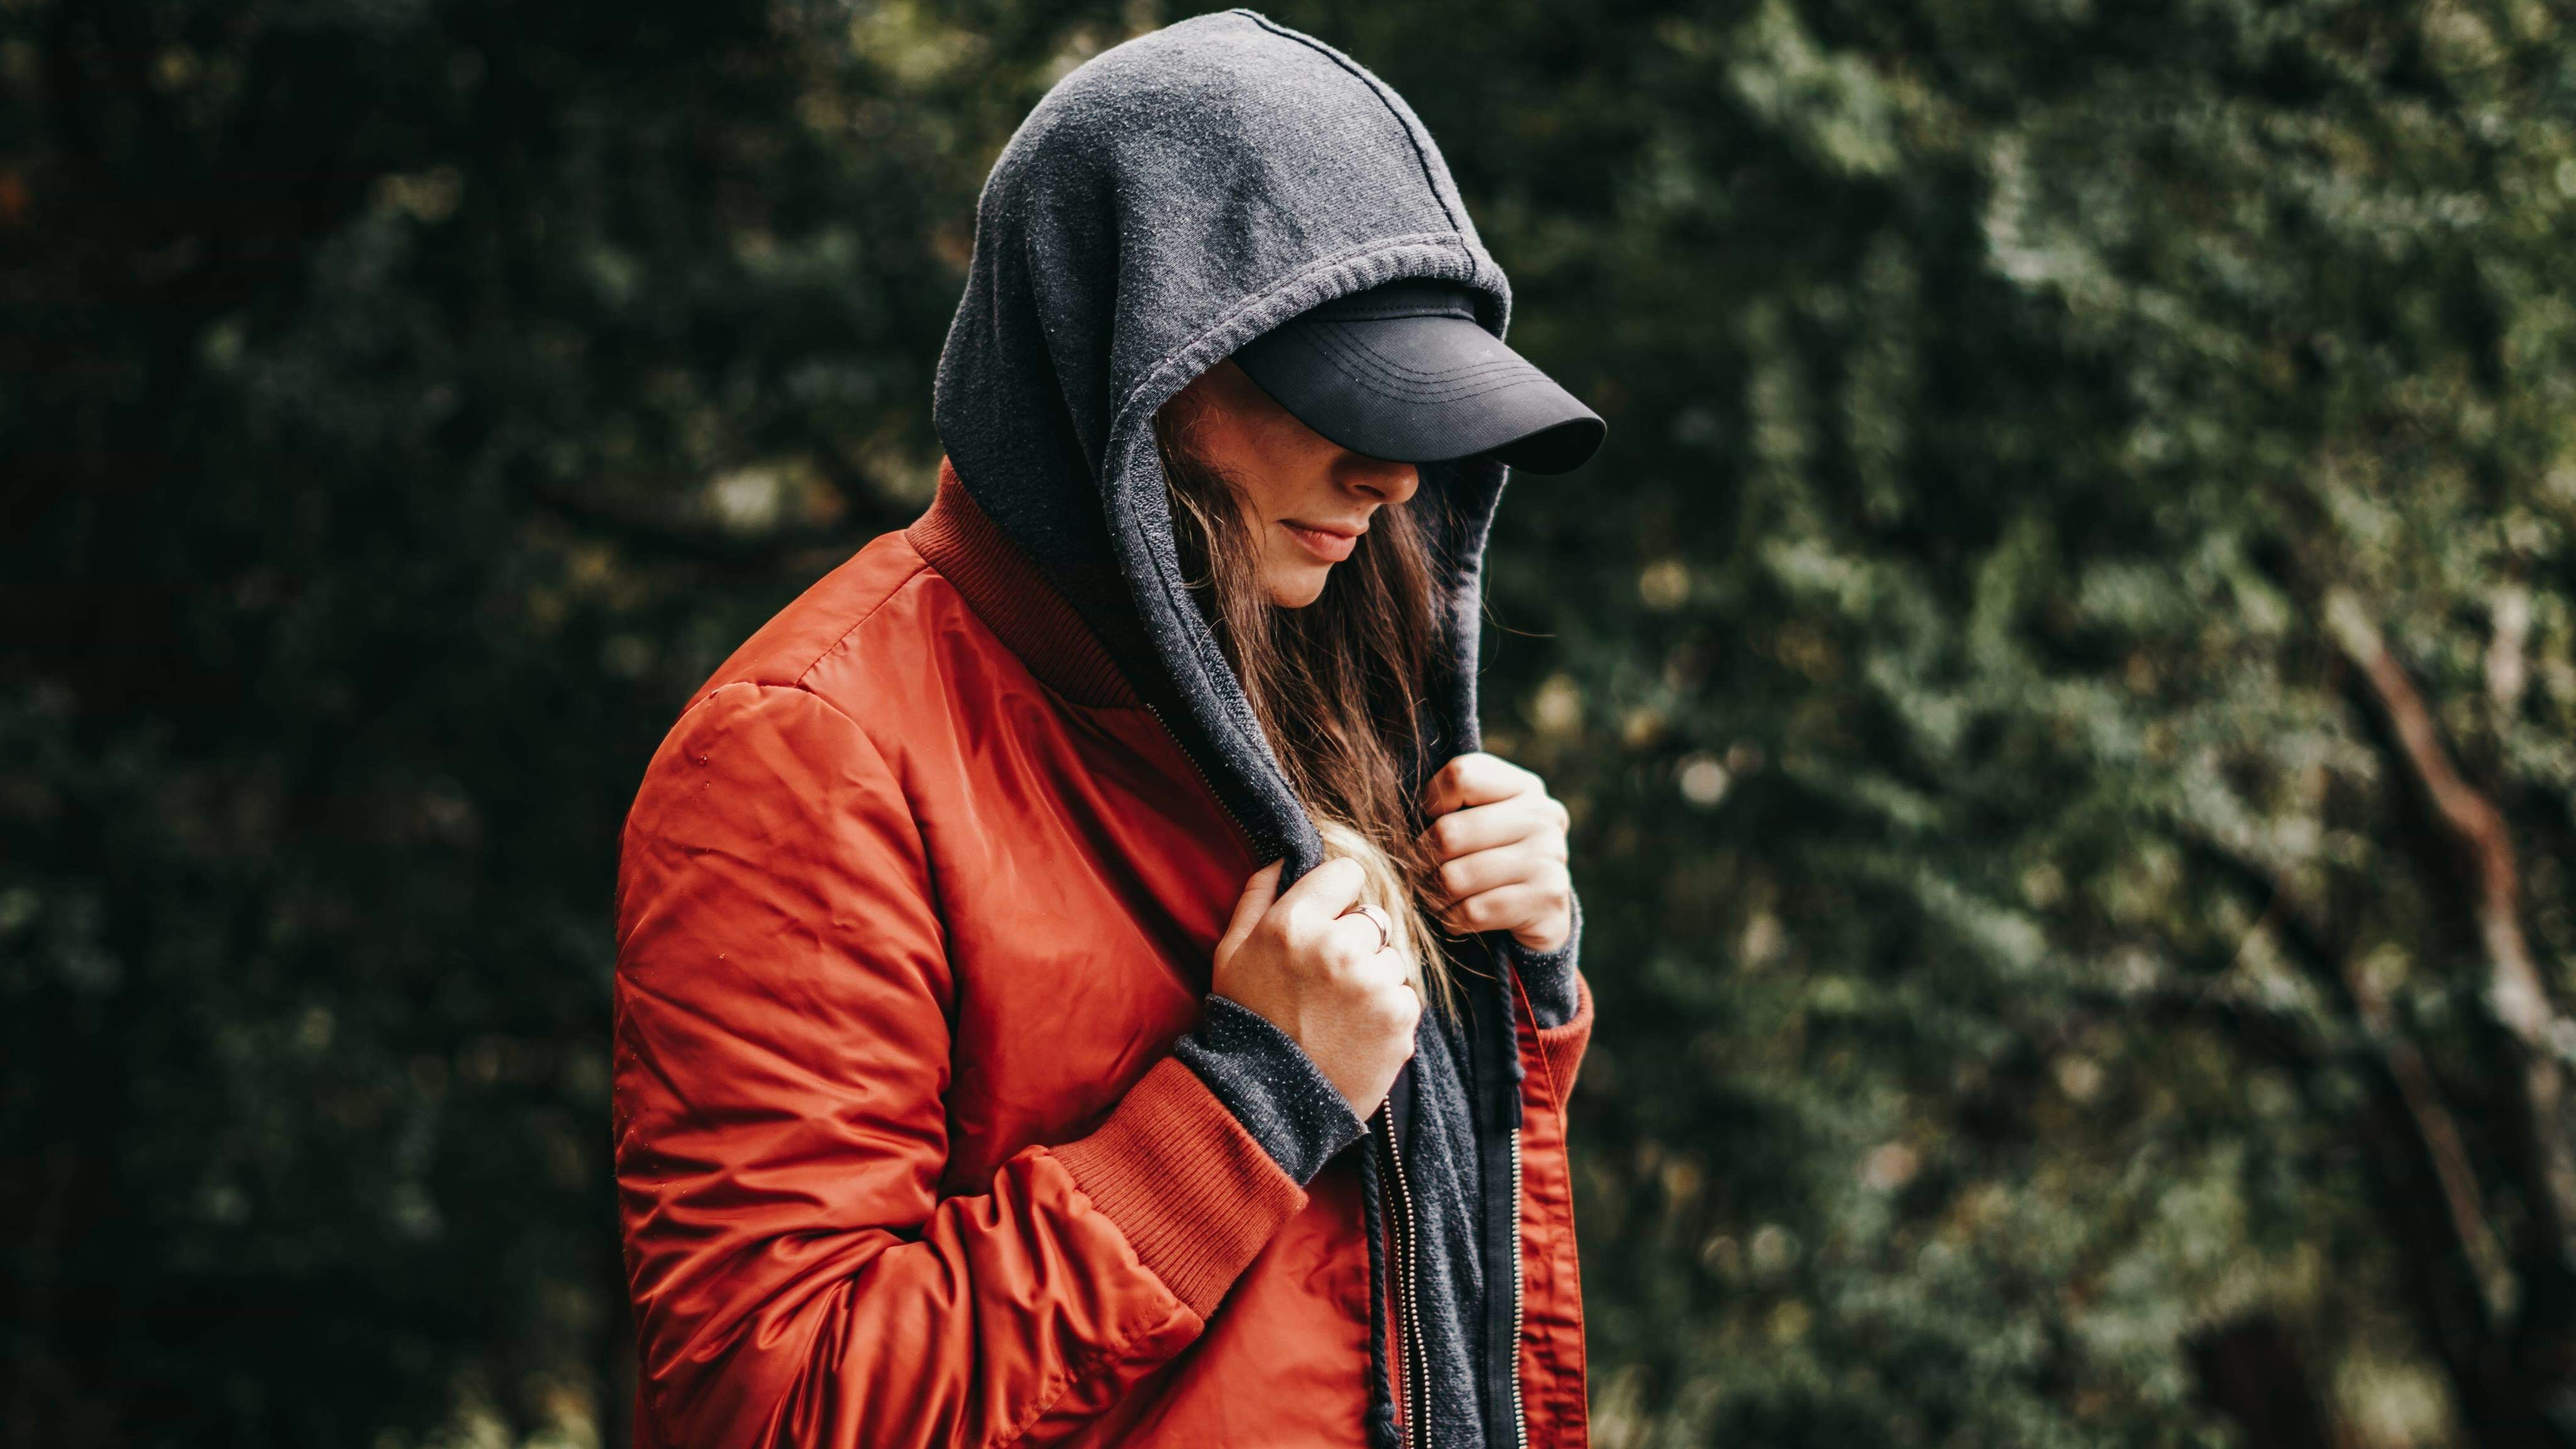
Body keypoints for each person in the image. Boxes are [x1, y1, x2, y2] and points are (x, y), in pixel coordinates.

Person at [611, 11, 1606, 1447]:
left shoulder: (1301, 685)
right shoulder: (809, 754)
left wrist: (1510, 985)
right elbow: (772, 1405)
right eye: (1326, 392)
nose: (1391, 473)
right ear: (1118, 367)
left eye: (1417, 411)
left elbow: (1389, 1295)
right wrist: (1250, 1102)